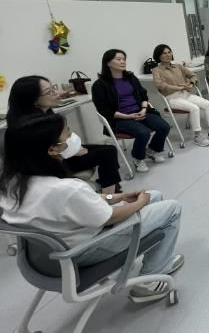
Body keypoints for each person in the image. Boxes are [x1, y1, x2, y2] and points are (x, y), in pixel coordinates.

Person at [0, 113, 184, 303]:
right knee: (171, 208)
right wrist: (140, 203)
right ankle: (149, 283)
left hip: (44, 257)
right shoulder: (65, 188)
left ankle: (150, 259)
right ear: (53, 149)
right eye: (67, 133)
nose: (72, 136)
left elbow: (76, 203)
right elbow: (110, 217)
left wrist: (116, 196)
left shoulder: (11, 184)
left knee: (155, 196)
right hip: (85, 249)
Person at [6, 76, 123, 194]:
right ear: (33, 100)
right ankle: (110, 195)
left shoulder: (43, 114)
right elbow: (44, 155)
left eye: (53, 88)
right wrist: (73, 151)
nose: (57, 93)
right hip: (53, 165)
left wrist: (74, 149)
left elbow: (60, 143)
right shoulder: (35, 126)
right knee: (107, 153)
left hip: (60, 154)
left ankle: (110, 187)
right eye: (49, 92)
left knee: (108, 150)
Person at [92, 49, 171, 173]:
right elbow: (104, 110)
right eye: (118, 59)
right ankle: (137, 158)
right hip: (119, 118)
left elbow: (143, 95)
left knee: (164, 126)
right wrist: (128, 117)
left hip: (140, 111)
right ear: (107, 63)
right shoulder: (99, 85)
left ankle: (152, 150)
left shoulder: (130, 78)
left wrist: (143, 109)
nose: (122, 62)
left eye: (124, 59)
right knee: (143, 132)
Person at [152, 44, 209, 147]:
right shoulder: (156, 70)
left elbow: (193, 75)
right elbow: (160, 85)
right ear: (158, 56)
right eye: (164, 53)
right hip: (172, 98)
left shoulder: (178, 66)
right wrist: (177, 88)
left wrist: (191, 83)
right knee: (194, 108)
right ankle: (197, 136)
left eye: (169, 52)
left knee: (207, 104)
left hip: (185, 94)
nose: (168, 55)